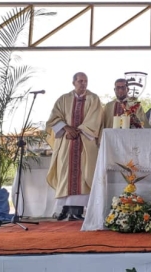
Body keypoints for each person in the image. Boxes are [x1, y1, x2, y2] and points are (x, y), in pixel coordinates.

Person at [46, 72, 102, 221]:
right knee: (65, 173)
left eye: (85, 81)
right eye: (80, 81)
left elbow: (95, 119)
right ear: (73, 83)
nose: (83, 84)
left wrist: (78, 130)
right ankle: (63, 210)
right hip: (66, 143)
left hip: (85, 142)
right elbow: (53, 119)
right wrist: (66, 128)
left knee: (84, 175)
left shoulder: (93, 99)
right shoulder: (63, 99)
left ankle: (78, 211)